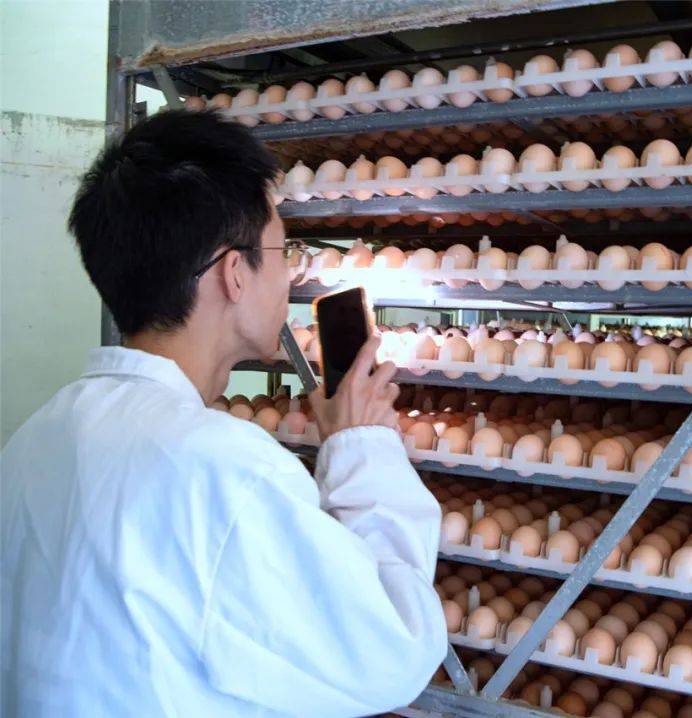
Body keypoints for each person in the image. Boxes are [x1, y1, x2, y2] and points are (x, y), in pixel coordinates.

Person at [1, 110, 447, 716]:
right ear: (235, 273)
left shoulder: (35, 437)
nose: (290, 274)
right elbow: (392, 651)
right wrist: (362, 446)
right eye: (282, 249)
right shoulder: (227, 470)